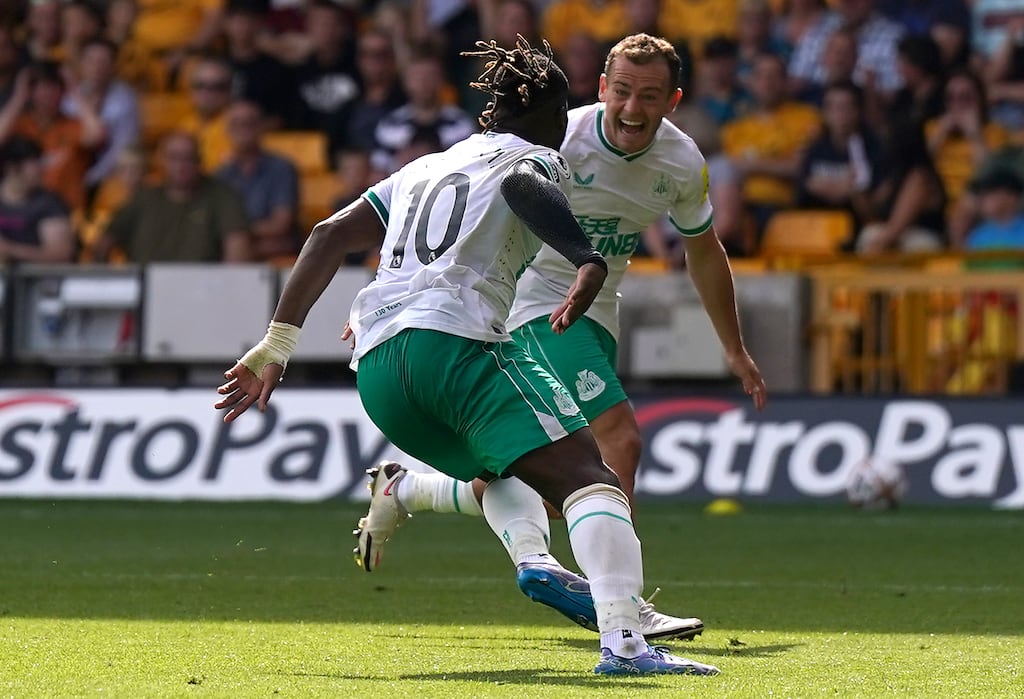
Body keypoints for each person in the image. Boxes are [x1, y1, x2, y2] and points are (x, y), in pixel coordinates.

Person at [216, 36, 719, 678]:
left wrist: (276, 345)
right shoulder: (537, 155)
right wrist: (587, 257)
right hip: (453, 345)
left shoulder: (425, 166)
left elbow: (327, 235)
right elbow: (520, 184)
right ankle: (625, 643)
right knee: (592, 478)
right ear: (547, 113)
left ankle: (528, 557)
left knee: (505, 470)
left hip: (378, 370)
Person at [352, 33, 766, 640]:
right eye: (621, 91)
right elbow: (451, 214)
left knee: (537, 473)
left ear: (672, 100)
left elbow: (704, 250)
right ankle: (622, 610)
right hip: (528, 307)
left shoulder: (681, 163)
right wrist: (396, 294)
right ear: (601, 88)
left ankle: (409, 490)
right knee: (616, 441)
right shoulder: (552, 137)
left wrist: (732, 346)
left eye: (649, 97)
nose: (632, 108)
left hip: (595, 313)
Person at [96, 131, 251, 263]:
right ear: (161, 160)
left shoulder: (222, 197)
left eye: (188, 158)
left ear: (199, 161)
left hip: (202, 289)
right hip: (147, 287)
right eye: (174, 158)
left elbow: (237, 252)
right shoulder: (143, 199)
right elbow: (105, 242)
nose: (181, 166)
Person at [0, 135, 76, 264]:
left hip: (38, 280)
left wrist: (9, 250)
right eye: (35, 164)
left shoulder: (49, 204)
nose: (41, 170)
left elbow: (61, 253)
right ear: (12, 168)